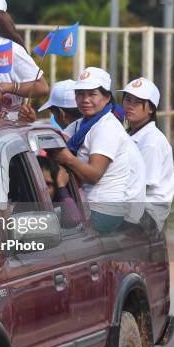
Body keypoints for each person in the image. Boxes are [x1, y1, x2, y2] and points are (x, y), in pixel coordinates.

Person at [49, 67, 131, 234]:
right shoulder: (82, 124)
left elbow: (93, 175)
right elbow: (56, 140)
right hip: (87, 203)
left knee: (45, 231)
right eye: (80, 94)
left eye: (92, 94)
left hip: (103, 210)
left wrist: (68, 159)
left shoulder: (106, 127)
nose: (84, 99)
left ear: (107, 97)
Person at [121, 77, 174, 230]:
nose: (130, 106)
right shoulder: (131, 133)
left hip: (147, 214)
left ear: (151, 108)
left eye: (137, 102)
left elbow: (141, 185)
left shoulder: (151, 141)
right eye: (127, 99)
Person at [37, 156, 82, 228]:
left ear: (56, 189)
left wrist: (61, 186)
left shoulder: (58, 211)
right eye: (37, 185)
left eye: (48, 185)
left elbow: (73, 218)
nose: (41, 190)